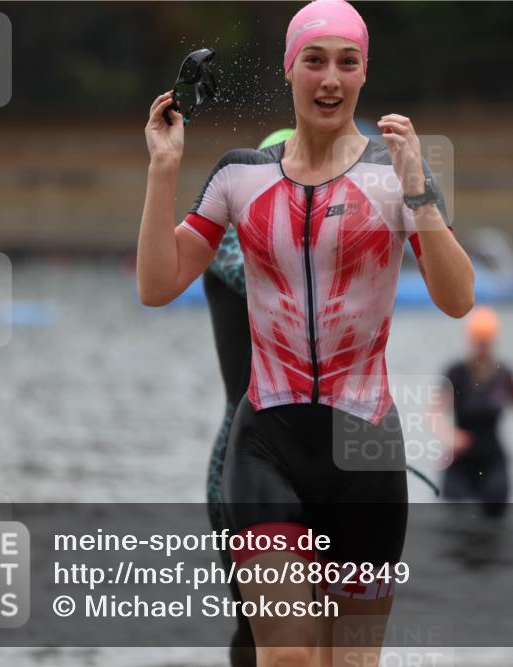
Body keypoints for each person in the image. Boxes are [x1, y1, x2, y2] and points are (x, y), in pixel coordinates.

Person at [137, 1, 475, 664]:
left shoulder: (392, 175)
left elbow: (457, 299)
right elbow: (157, 283)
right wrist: (162, 170)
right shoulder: (240, 176)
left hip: (365, 448)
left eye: (347, 62)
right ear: (289, 69)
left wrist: (418, 192)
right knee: (287, 655)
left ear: (364, 73)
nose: (330, 78)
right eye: (314, 61)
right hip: (266, 444)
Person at [203, 128, 293, 667]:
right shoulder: (233, 235)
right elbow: (267, 275)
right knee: (261, 632)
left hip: (324, 453)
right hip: (243, 457)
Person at [439, 306, 513, 518]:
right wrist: (449, 436)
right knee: (457, 516)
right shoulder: (456, 373)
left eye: (486, 343)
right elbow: (434, 413)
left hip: (493, 457)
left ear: (494, 341)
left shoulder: (505, 374)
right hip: (461, 458)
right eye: (478, 342)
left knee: (496, 510)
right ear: (470, 340)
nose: (482, 348)